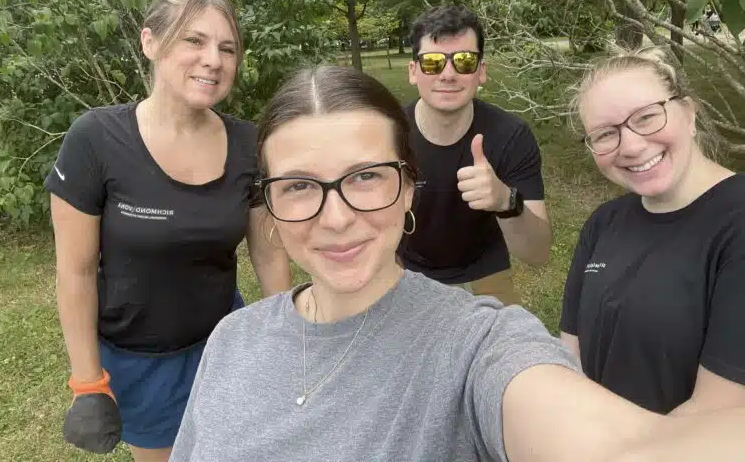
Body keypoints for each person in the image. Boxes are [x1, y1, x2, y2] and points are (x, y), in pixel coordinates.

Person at [169, 65, 745, 462]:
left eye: (366, 176)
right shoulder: (232, 340)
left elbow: (614, 446)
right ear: (267, 204)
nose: (336, 216)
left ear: (409, 187)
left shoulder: (478, 345)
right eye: (298, 186)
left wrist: (505, 201)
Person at [45, 0, 291, 461]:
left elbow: (269, 251)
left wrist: (284, 338)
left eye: (227, 48)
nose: (213, 60)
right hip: (140, 360)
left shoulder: (247, 144)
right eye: (193, 40)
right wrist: (88, 381)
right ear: (150, 42)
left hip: (224, 343)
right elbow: (74, 273)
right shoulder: (96, 139)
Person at [560, 46, 745, 415]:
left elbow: (717, 413)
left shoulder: (736, 223)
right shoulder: (603, 222)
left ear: (689, 114)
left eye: (646, 117)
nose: (630, 146)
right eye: (605, 134)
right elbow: (570, 354)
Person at [397, 5, 551, 306]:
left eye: (465, 61)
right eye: (432, 63)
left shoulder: (511, 136)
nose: (449, 74)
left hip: (485, 270)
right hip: (405, 272)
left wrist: (505, 200)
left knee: (510, 350)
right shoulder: (389, 134)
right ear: (414, 71)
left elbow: (538, 253)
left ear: (481, 71)